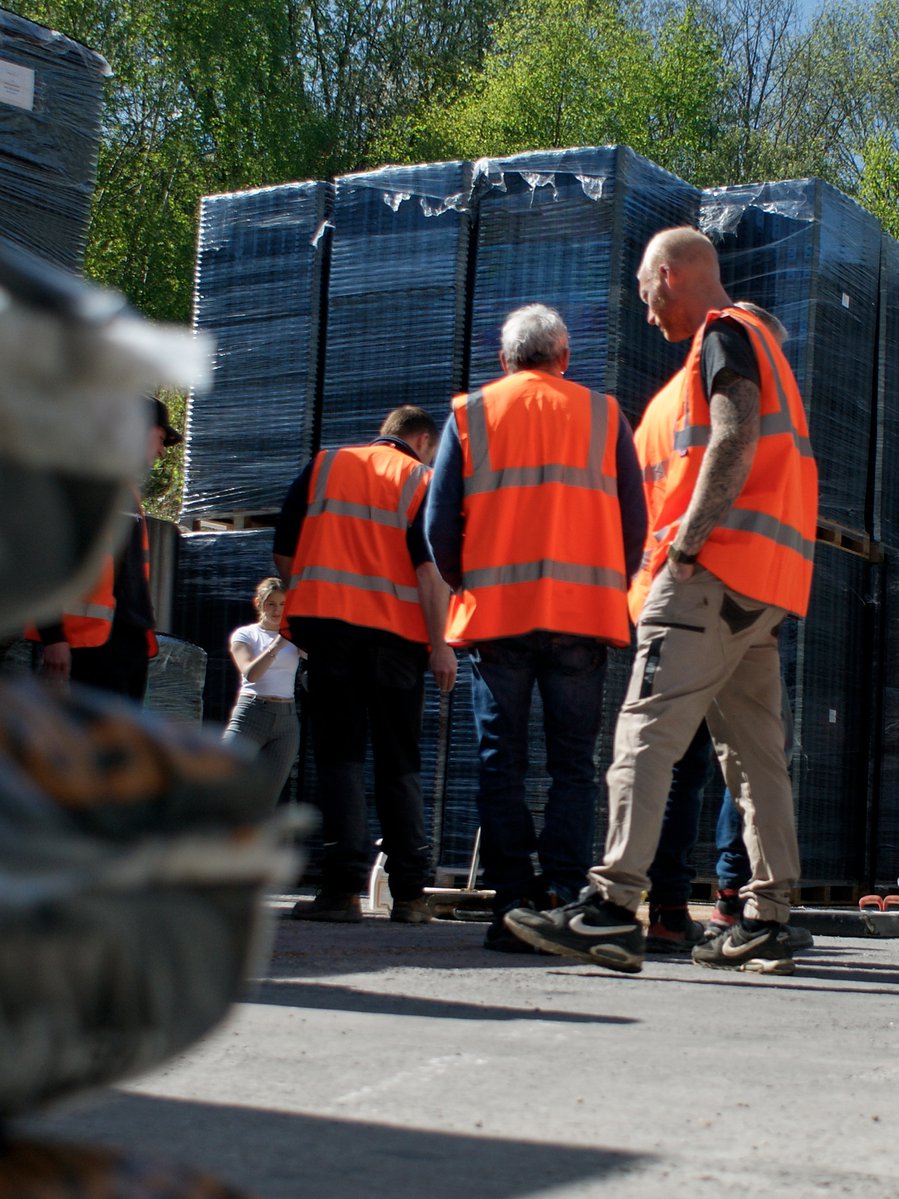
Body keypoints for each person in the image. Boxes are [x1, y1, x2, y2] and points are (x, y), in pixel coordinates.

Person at [505, 227, 818, 976]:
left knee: (643, 733)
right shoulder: (742, 347)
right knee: (753, 755)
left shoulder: (721, 335)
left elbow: (734, 437)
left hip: (707, 576)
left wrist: (684, 547)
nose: (644, 310)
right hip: (762, 586)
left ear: (670, 275)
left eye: (645, 291)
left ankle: (612, 907)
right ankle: (767, 918)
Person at [425, 303, 646, 952]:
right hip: (580, 618)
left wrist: (470, 577)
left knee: (501, 764)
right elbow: (634, 524)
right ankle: (562, 895)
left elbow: (437, 527)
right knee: (573, 764)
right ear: (563, 357)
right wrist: (606, 579)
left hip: (496, 619)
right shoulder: (605, 416)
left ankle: (513, 902)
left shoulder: (470, 415)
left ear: (504, 360)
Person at [273, 405, 457, 925]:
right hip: (397, 641)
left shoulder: (325, 465)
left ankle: (342, 891)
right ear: (421, 441)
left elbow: (284, 555)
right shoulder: (420, 478)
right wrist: (440, 644)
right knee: (399, 761)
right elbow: (429, 571)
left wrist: (311, 594)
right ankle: (411, 896)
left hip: (328, 635)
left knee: (340, 759)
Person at [26, 396, 181, 700]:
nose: (162, 450)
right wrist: (54, 638)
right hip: (84, 648)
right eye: (160, 438)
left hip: (125, 645)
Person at [223, 577, 301, 807]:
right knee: (224, 776)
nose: (277, 610)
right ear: (258, 603)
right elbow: (251, 673)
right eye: (271, 604)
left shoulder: (294, 636)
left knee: (268, 796)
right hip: (252, 712)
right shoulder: (246, 635)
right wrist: (277, 644)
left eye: (283, 604)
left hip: (286, 718)